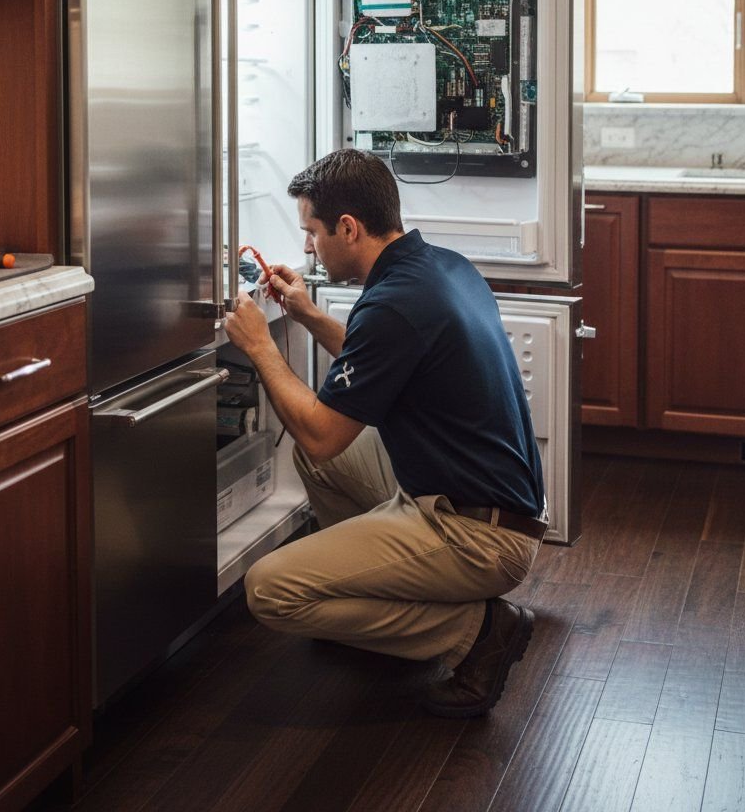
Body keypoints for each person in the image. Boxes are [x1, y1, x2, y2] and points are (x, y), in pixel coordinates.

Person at [223, 149, 547, 717]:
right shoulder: (440, 267)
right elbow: (380, 359)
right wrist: (303, 314)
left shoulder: (393, 305)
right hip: (483, 499)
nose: (307, 247)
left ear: (349, 227)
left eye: (313, 232)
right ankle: (379, 598)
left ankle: (474, 632)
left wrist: (259, 346)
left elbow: (322, 433)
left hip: (481, 536)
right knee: (320, 464)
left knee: (269, 590)